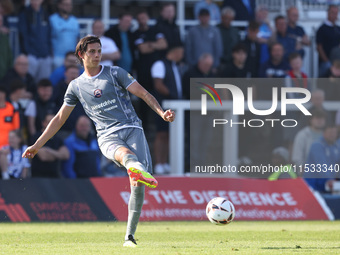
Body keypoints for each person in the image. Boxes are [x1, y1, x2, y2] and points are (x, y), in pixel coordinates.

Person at [22, 35, 175, 247]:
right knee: (128, 158)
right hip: (106, 136)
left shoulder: (115, 73)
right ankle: (134, 167)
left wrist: (161, 113)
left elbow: (144, 94)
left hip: (132, 129)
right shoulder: (75, 86)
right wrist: (37, 145)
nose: (96, 55)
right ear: (81, 55)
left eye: (99, 51)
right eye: (92, 51)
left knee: (138, 186)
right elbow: (58, 119)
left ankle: (129, 236)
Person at [151, 44, 184, 174]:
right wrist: (172, 95)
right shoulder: (160, 64)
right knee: (161, 134)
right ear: (175, 51)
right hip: (162, 105)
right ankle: (158, 163)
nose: (182, 55)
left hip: (175, 105)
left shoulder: (175, 66)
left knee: (170, 134)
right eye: (181, 52)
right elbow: (158, 85)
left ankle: (165, 162)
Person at [18, 0, 52, 82]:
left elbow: (48, 35)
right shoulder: (24, 14)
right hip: (31, 56)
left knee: (43, 82)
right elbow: (23, 35)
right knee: (29, 81)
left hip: (45, 55)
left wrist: (48, 52)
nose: (35, 2)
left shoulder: (45, 14)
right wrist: (27, 52)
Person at [30, 113, 69, 178]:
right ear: (43, 123)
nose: (51, 124)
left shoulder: (58, 139)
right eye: (49, 122)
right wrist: (58, 154)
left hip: (54, 177)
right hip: (38, 177)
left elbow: (66, 155)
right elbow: (43, 157)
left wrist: (49, 150)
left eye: (53, 122)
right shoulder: (36, 137)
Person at [305, 124, 340, 193]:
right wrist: (331, 180)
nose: (332, 135)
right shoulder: (317, 145)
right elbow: (322, 166)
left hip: (328, 185)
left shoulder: (336, 146)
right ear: (323, 133)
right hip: (314, 185)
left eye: (334, 133)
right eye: (330, 133)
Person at [49, 0, 79, 69]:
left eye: (70, 5)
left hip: (72, 57)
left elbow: (77, 39)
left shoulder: (74, 21)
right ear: (59, 5)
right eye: (66, 4)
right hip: (57, 57)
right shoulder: (52, 19)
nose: (68, 7)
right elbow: (48, 38)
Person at [316, 5, 340, 77]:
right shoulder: (321, 29)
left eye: (336, 13)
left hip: (337, 63)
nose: (334, 15)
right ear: (328, 13)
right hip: (326, 63)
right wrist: (327, 62)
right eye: (332, 12)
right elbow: (319, 47)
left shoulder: (338, 28)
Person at [0, 14, 12, 80]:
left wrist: (9, 71)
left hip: (4, 74)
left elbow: (9, 55)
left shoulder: (4, 37)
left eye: (1, 21)